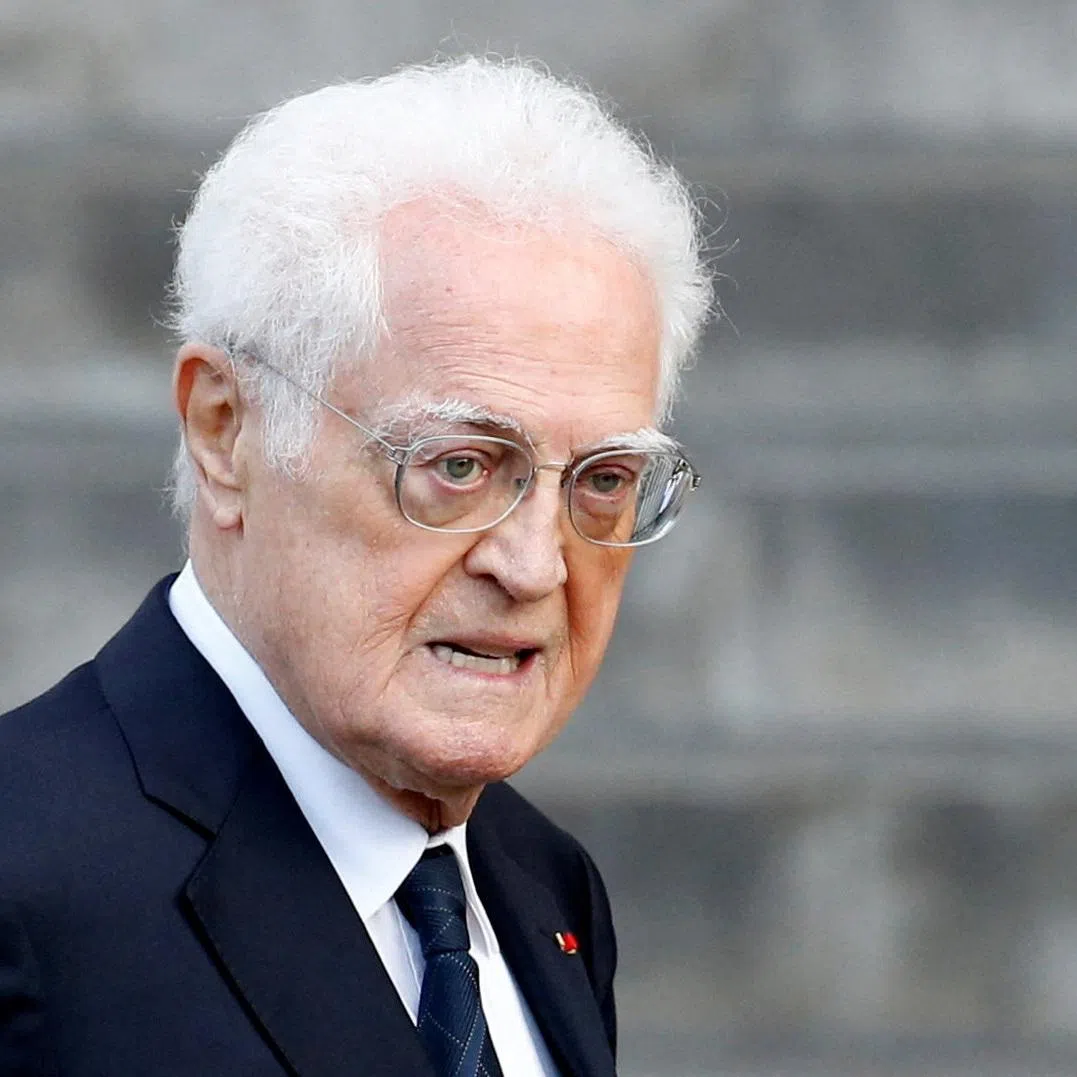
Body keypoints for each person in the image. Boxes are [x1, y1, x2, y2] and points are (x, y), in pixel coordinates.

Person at [0, 56, 711, 1077]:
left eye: (600, 479)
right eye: (459, 466)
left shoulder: (541, 885)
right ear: (225, 431)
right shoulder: (25, 888)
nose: (536, 566)